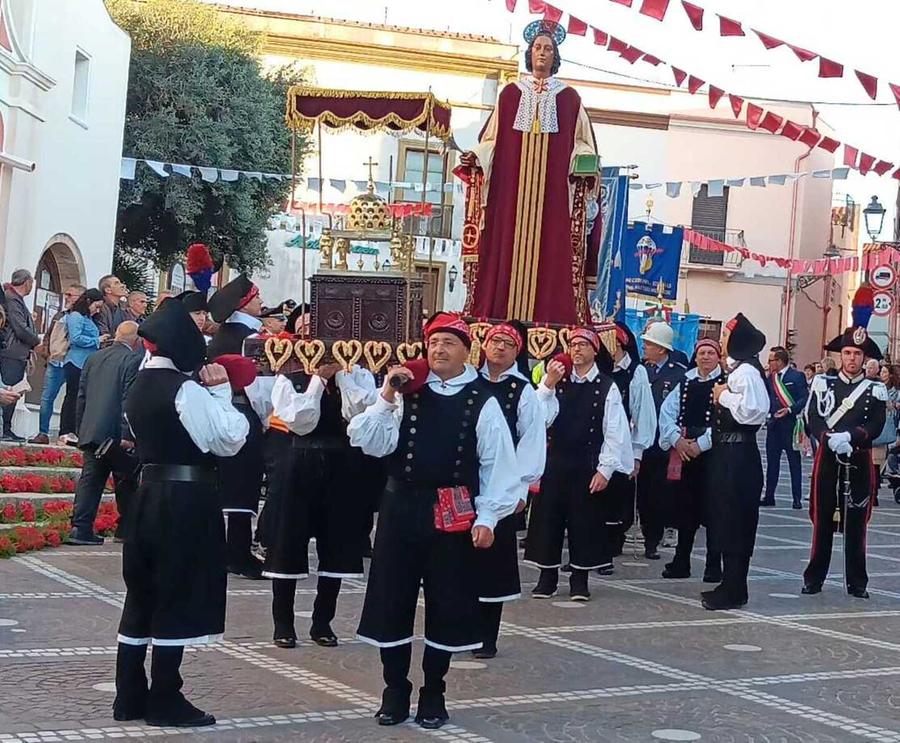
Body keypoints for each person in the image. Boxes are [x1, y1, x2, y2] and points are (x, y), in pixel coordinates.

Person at [348, 312, 520, 730]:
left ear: (466, 350)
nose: (439, 350)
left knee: (447, 601)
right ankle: (394, 687)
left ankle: (434, 691)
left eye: (448, 342)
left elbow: (499, 463)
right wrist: (387, 395)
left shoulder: (483, 400)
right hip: (400, 507)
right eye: (434, 342)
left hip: (452, 510)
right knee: (392, 598)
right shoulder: (409, 391)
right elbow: (367, 441)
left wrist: (489, 516)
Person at [114, 298, 249, 728]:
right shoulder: (184, 389)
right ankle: (165, 698)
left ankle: (129, 694)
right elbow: (230, 438)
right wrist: (222, 391)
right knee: (176, 591)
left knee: (142, 593)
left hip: (146, 492)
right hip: (185, 498)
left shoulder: (137, 383)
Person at [459, 21, 601, 324]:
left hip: (553, 198)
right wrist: (478, 156)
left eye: (548, 49)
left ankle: (551, 315)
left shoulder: (569, 99)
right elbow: (492, 140)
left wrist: (585, 161)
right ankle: (498, 313)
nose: (542, 53)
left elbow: (582, 143)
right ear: (529, 52)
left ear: (556, 56)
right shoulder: (509, 95)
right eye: (537, 47)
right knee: (504, 247)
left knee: (553, 251)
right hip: (509, 195)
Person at [261, 359, 377, 647]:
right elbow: (300, 422)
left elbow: (360, 411)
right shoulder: (290, 375)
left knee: (337, 546)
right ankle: (282, 623)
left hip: (345, 464)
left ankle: (323, 621)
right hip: (300, 462)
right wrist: (318, 380)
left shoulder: (359, 375)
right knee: (288, 543)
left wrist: (341, 377)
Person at [525, 326, 633, 600]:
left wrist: (605, 470)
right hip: (556, 460)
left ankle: (579, 580)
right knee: (548, 519)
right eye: (572, 345)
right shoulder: (557, 381)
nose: (576, 350)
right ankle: (546, 576)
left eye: (583, 345)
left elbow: (615, 431)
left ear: (594, 351)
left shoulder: (607, 386)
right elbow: (539, 419)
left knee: (584, 522)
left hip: (588, 462)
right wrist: (547, 385)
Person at [476, 321, 546, 657]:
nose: (499, 348)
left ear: (517, 352)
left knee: (495, 562)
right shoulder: (468, 382)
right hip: (467, 483)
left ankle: (487, 635)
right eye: (495, 341)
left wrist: (520, 489)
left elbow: (532, 441)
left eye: (508, 343)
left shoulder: (522, 391)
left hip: (503, 487)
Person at [802, 326, 887, 599]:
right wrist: (827, 437)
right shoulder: (823, 383)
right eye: (847, 353)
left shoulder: (875, 388)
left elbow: (876, 423)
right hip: (828, 457)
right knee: (822, 519)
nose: (851, 358)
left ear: (865, 358)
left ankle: (857, 582)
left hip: (859, 459)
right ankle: (814, 578)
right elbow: (813, 417)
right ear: (841, 355)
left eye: (857, 354)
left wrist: (852, 436)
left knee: (857, 522)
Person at [702, 314, 769, 611]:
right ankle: (731, 583)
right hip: (729, 454)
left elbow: (753, 412)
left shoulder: (746, 373)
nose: (722, 340)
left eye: (726, 335)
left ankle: (734, 588)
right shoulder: (740, 370)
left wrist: (724, 396)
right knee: (727, 519)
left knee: (736, 520)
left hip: (738, 456)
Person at [67, 322, 142, 545]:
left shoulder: (94, 358)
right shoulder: (133, 360)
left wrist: (81, 429)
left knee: (90, 480)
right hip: (117, 433)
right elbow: (129, 398)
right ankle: (125, 528)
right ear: (136, 341)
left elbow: (81, 396)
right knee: (126, 479)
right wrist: (128, 433)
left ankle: (80, 528)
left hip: (92, 429)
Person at [658, 338, 725, 582]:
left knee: (714, 510)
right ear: (695, 357)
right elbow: (667, 413)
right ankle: (681, 561)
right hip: (686, 452)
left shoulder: (725, 383)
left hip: (714, 455)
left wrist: (702, 444)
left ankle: (713, 565)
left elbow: (724, 419)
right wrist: (678, 440)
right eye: (701, 353)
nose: (705, 357)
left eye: (710, 352)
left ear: (718, 356)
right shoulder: (685, 381)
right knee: (685, 510)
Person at [636, 321, 686, 559]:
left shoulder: (678, 373)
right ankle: (643, 528)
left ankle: (652, 541)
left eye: (649, 343)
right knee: (642, 493)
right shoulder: (641, 370)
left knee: (660, 493)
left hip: (663, 444)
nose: (644, 347)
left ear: (661, 348)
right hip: (640, 442)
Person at [608, 322, 657, 567]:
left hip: (623, 443)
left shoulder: (636, 372)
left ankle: (613, 543)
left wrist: (637, 453)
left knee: (620, 498)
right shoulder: (600, 368)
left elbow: (643, 414)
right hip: (597, 444)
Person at [30, 284, 85, 445]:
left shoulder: (86, 318)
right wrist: (47, 354)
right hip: (57, 362)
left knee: (73, 398)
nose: (66, 297)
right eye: (66, 294)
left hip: (75, 362)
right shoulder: (60, 315)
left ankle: (67, 433)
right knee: (47, 397)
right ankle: (43, 432)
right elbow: (48, 335)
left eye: (70, 295)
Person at [761, 346, 809, 509]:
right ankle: (769, 496)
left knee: (794, 463)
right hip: (774, 426)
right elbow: (767, 397)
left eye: (771, 360)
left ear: (780, 361)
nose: (769, 363)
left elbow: (804, 398)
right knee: (772, 463)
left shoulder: (797, 376)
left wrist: (789, 409)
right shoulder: (770, 378)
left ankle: (796, 498)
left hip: (790, 426)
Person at [59, 289, 106, 444]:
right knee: (72, 396)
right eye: (96, 306)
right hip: (75, 361)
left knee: (82, 398)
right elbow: (76, 338)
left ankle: (77, 429)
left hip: (87, 363)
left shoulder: (89, 319)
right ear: (88, 302)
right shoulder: (76, 316)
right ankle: (66, 429)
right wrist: (97, 340)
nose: (97, 310)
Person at [0, 269, 39, 441]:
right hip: (11, 352)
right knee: (8, 391)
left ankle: (6, 428)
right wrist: (37, 341)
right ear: (27, 282)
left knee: (12, 391)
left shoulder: (15, 299)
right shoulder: (12, 298)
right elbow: (20, 327)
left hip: (16, 352)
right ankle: (5, 430)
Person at [206, 275, 263, 360]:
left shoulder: (227, 329)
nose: (261, 301)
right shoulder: (246, 335)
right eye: (257, 297)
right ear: (245, 305)